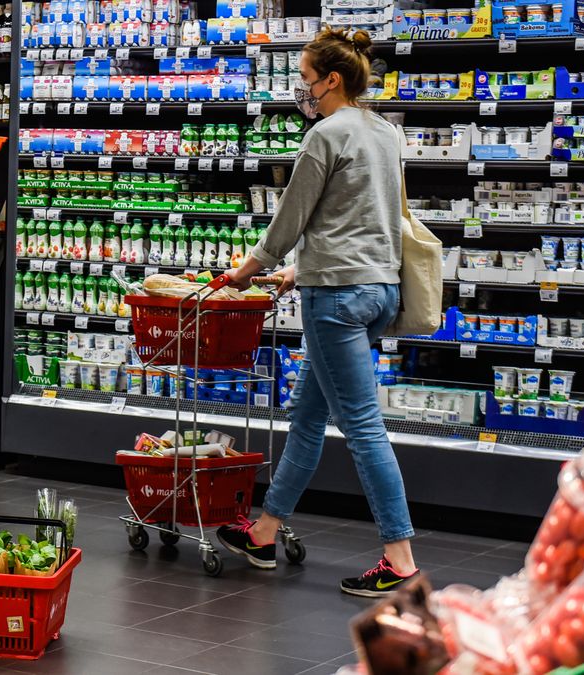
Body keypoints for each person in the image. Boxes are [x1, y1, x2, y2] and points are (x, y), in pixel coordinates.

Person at [215, 28, 421, 598]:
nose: (302, 91)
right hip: (377, 288)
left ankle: (399, 556)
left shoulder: (325, 135)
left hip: (335, 299)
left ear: (332, 80)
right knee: (307, 418)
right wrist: (299, 271)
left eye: (305, 80)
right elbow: (361, 217)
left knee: (363, 429)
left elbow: (291, 220)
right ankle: (263, 531)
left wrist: (247, 271)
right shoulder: (386, 133)